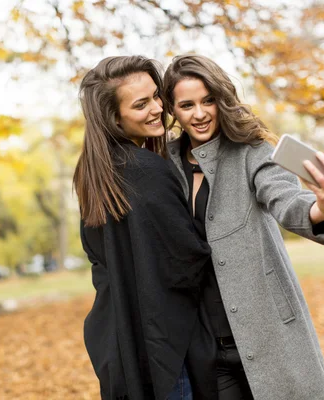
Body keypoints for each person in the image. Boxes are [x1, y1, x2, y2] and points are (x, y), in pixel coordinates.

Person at [162, 54, 324, 400]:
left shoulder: (253, 151)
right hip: (205, 348)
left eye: (208, 100)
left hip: (270, 336)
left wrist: (321, 207)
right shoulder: (165, 163)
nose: (200, 113)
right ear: (173, 110)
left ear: (222, 98)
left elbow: (285, 198)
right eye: (187, 105)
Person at [74, 55, 218, 400]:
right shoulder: (146, 169)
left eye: (156, 96)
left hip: (120, 343)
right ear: (114, 117)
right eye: (141, 104)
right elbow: (186, 260)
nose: (157, 108)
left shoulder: (94, 174)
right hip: (165, 350)